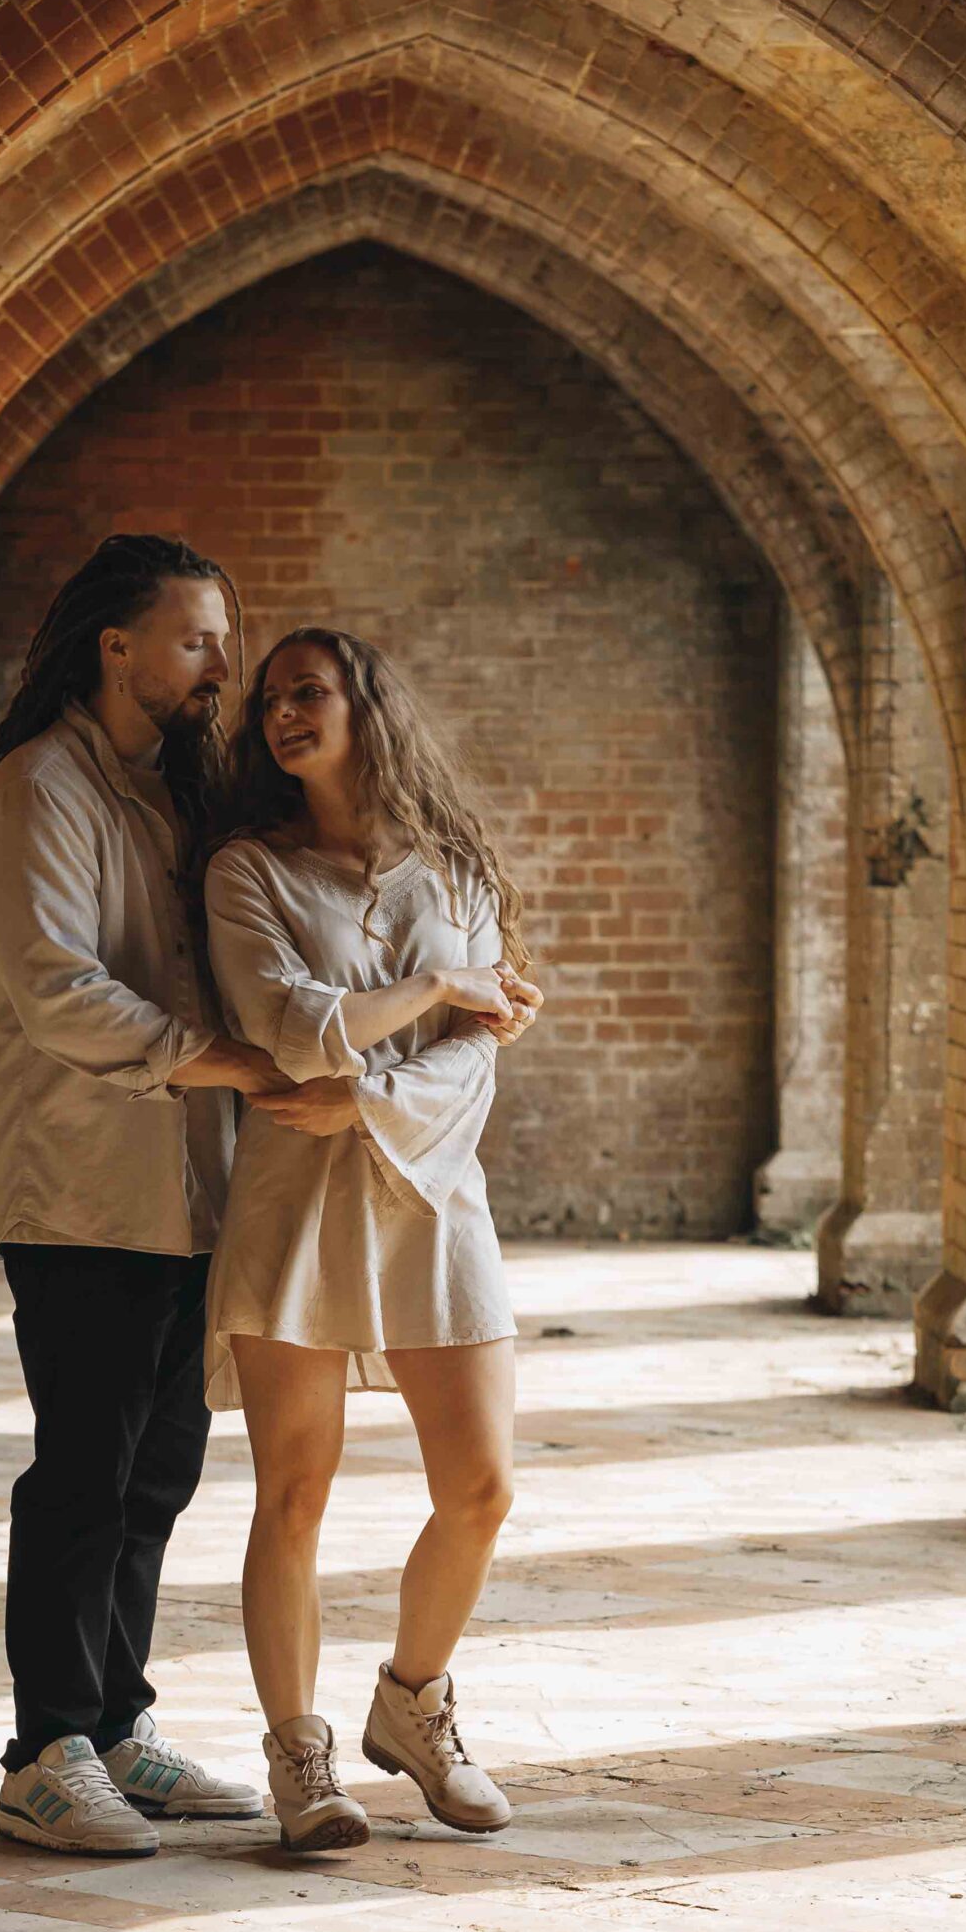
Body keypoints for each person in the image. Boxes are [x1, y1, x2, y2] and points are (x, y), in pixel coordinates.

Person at [0, 535, 286, 1857]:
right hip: (81, 1192)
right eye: (197, 638)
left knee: (160, 1468)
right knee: (84, 1472)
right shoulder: (39, 792)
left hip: (189, 1187)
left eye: (222, 639)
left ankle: (117, 1726)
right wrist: (230, 1063)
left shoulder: (167, 795)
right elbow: (60, 994)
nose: (221, 666)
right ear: (117, 646)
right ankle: (45, 1752)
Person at [202, 628, 541, 1852]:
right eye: (270, 699)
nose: (285, 711)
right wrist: (440, 994)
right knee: (293, 1491)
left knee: (481, 1487)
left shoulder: (455, 872)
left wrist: (369, 1095)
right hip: (292, 1206)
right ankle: (300, 1756)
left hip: (434, 1198)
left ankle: (413, 1705)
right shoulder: (245, 870)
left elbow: (480, 1049)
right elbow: (288, 1028)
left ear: (364, 707)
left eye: (311, 690)